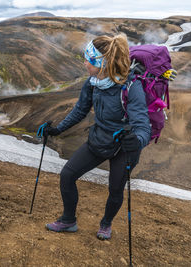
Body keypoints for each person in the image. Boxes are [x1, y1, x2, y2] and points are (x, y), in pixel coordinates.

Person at [42, 34, 151, 240]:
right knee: (67, 175)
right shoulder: (92, 83)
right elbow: (79, 111)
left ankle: (106, 224)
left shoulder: (130, 87)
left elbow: (143, 126)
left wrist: (136, 141)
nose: (84, 63)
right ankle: (68, 220)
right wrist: (57, 129)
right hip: (99, 139)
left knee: (115, 189)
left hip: (125, 146)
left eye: (89, 60)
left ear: (103, 64)